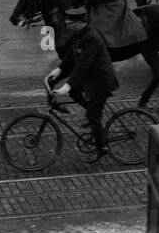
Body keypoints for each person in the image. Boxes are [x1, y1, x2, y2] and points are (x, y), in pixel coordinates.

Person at [46, 19, 119, 161]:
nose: (68, 26)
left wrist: (68, 85)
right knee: (75, 93)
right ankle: (91, 110)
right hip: (91, 78)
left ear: (81, 23)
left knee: (93, 116)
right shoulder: (78, 33)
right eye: (67, 23)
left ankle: (101, 147)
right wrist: (60, 69)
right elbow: (70, 54)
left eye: (72, 23)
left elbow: (82, 64)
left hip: (101, 81)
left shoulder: (91, 38)